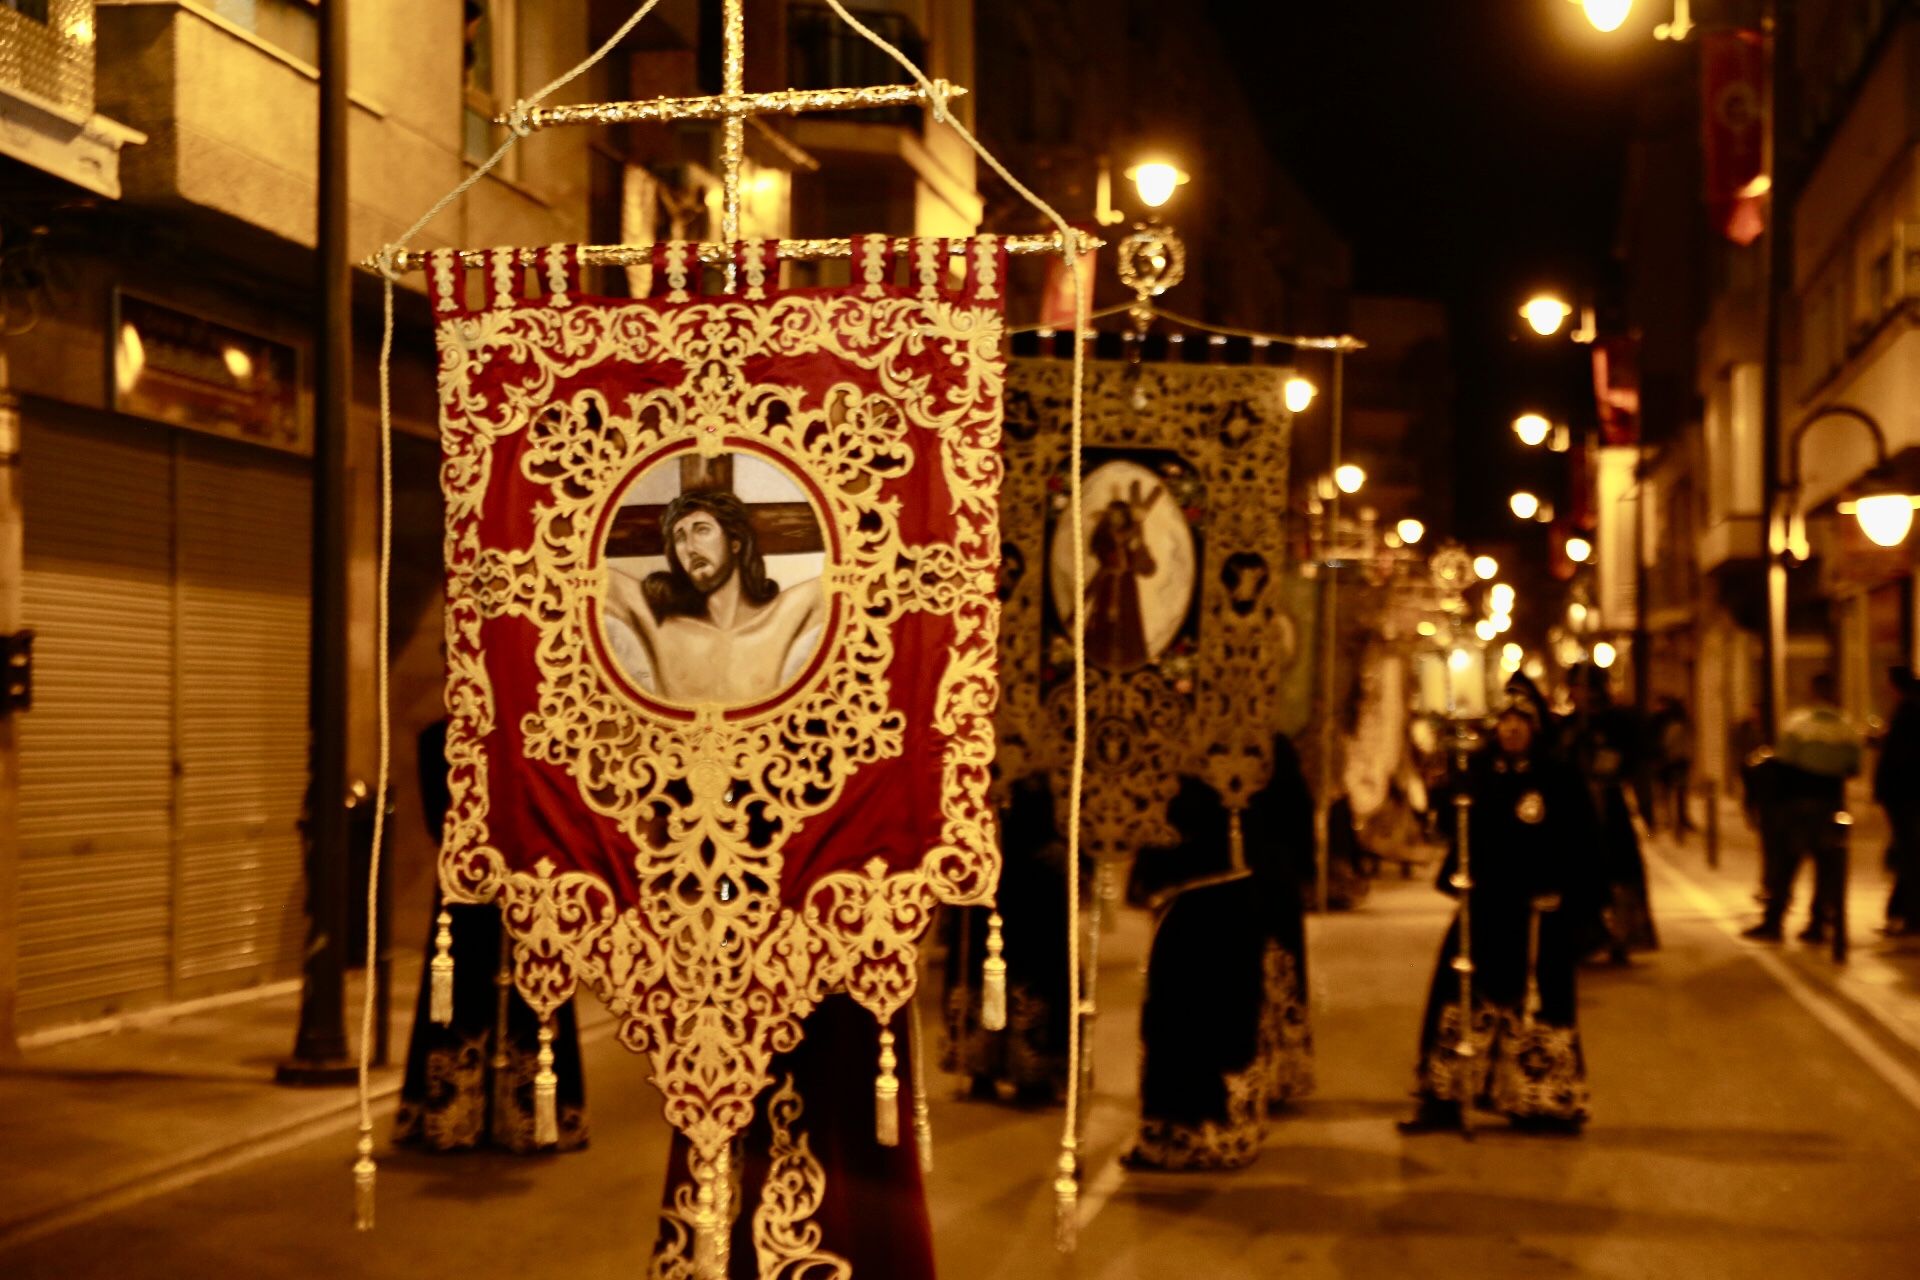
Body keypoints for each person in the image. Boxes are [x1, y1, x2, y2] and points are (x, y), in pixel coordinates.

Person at [1399, 696, 1597, 1135]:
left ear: (1535, 729)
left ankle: (1543, 1101)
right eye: (1504, 722)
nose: (1511, 730)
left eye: (1520, 722)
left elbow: (1581, 840)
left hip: (1536, 914)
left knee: (1537, 1002)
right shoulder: (1479, 775)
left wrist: (1563, 890)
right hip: (1485, 909)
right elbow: (1452, 825)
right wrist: (1451, 785)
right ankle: (1445, 1097)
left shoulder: (1557, 779)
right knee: (1460, 995)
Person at [393, 718, 589, 1152]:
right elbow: (438, 823)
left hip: (530, 887)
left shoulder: (546, 738)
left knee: (532, 994)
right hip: (467, 892)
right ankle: (456, 1112)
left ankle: (528, 1114)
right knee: (460, 990)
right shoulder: (438, 740)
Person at [1124, 738, 1315, 1171]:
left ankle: (1216, 1132)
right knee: (1181, 1021)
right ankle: (1183, 1132)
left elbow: (1289, 820)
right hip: (1201, 905)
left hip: (1226, 904)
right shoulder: (1173, 753)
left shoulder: (1266, 751)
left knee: (1216, 1019)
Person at [604, 490, 823, 703]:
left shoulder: (781, 617)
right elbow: (586, 572)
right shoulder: (660, 625)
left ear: (735, 543)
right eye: (680, 537)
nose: (690, 548)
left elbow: (846, 577)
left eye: (702, 530)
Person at [941, 771, 1071, 1105]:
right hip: (990, 869)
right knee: (981, 968)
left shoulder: (1045, 756)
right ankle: (980, 1064)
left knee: (1031, 969)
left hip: (1032, 874)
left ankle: (1031, 1070)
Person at [1743, 673, 1863, 944]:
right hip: (1831, 803)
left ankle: (1774, 921)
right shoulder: (1847, 728)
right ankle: (1819, 924)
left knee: (1787, 864)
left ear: (1813, 692)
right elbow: (1854, 768)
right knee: (1827, 867)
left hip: (1796, 804)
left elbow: (1784, 762)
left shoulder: (1798, 724)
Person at [1566, 662, 1657, 961]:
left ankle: (1621, 937)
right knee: (1580, 873)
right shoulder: (1569, 726)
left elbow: (1635, 756)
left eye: (1581, 687)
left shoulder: (1618, 721)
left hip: (1610, 806)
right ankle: (1585, 937)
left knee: (1619, 871)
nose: (1576, 693)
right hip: (1577, 809)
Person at [1084, 480, 1164, 670]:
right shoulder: (1103, 535)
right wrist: (1113, 553)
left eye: (1120, 515)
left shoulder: (1133, 534)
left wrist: (1138, 549)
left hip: (1127, 585)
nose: (1116, 519)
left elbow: (1147, 569)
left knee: (1128, 621)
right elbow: (1098, 549)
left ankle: (1130, 660)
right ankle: (1097, 660)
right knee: (1103, 620)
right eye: (1113, 515)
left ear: (1125, 516)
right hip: (1107, 583)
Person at [1874, 666, 1920, 936]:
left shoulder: (1909, 711)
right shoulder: (1909, 708)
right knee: (1907, 853)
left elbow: (1903, 757)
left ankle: (1909, 915)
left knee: (1909, 854)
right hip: (1905, 794)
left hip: (1906, 795)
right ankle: (1902, 912)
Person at [1651, 695, 1696, 837]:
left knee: (1672, 792)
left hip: (1673, 761)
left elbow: (1669, 743)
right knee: (1673, 792)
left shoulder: (1669, 723)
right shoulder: (1673, 723)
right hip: (1674, 762)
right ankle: (1674, 820)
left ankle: (1672, 820)